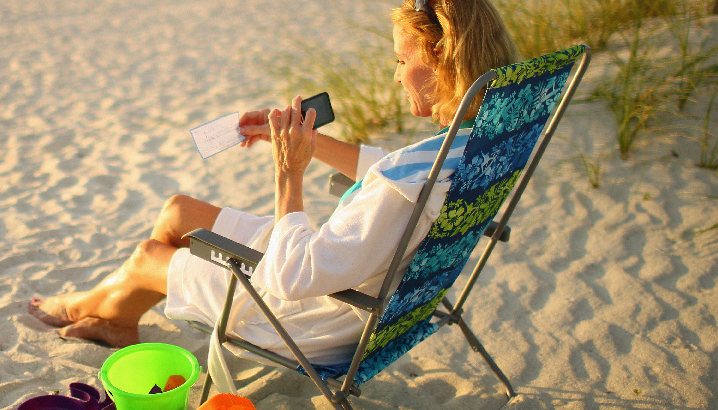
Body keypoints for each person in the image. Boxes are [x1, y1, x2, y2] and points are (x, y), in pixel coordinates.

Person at [29, 0, 520, 365]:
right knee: (178, 212)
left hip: (312, 315)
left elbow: (293, 278)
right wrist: (290, 135)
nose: (396, 76)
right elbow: (392, 175)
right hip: (346, 275)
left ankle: (86, 306)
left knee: (150, 256)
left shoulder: (406, 180)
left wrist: (290, 172)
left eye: (400, 61)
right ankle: (116, 318)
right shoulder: (478, 146)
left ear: (439, 57)